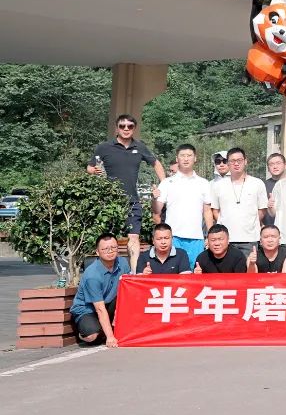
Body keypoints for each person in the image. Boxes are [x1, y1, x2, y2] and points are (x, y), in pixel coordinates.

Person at [87, 114, 166, 267]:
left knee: (134, 237)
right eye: (122, 126)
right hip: (109, 201)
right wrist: (94, 170)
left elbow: (156, 163)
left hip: (132, 201)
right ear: (117, 128)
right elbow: (89, 167)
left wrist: (164, 184)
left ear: (134, 129)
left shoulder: (139, 147)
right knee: (107, 239)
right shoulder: (104, 147)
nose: (126, 129)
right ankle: (107, 272)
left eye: (130, 126)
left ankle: (134, 273)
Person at [152, 143, 210, 269]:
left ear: (195, 158)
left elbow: (207, 211)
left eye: (189, 155)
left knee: (195, 272)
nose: (186, 159)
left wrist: (210, 235)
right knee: (173, 272)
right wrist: (154, 198)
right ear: (177, 159)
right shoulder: (167, 183)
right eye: (182, 155)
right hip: (174, 237)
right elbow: (156, 211)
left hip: (196, 238)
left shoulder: (204, 183)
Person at [70, 234, 130, 347]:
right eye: (105, 249)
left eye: (113, 247)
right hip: (88, 310)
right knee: (92, 336)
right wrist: (110, 337)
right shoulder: (92, 275)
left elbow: (128, 288)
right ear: (97, 252)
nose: (110, 251)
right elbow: (99, 309)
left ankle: (105, 329)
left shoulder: (123, 263)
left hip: (108, 304)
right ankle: (85, 332)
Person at [207, 147, 268, 257]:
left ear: (245, 161)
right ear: (228, 163)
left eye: (239, 160)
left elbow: (262, 210)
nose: (236, 164)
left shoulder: (257, 183)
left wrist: (249, 222)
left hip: (250, 239)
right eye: (232, 161)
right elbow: (215, 210)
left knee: (248, 267)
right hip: (226, 240)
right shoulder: (218, 186)